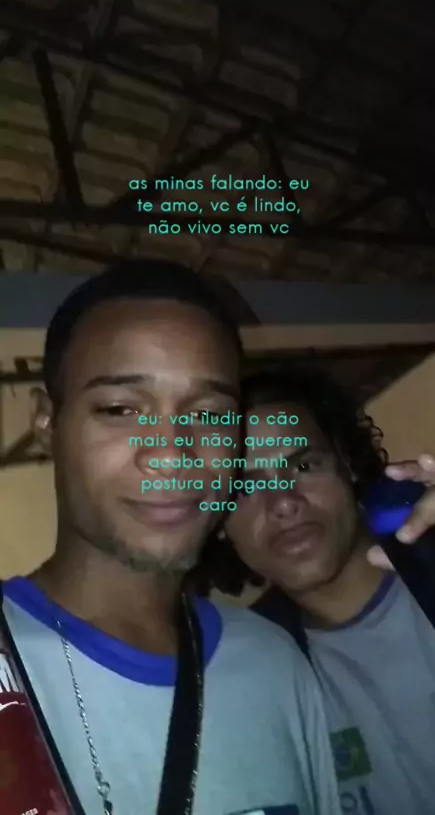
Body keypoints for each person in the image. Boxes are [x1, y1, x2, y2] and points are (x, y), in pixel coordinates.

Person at [1, 265, 341, 815]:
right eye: (121, 409)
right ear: (47, 424)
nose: (172, 455)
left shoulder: (274, 665)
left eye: (209, 415)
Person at [195, 366, 435, 815]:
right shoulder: (243, 681)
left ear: (346, 464)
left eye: (304, 465)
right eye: (244, 486)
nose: (284, 501)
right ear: (217, 521)